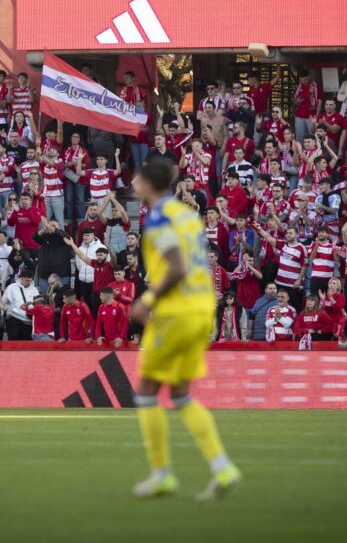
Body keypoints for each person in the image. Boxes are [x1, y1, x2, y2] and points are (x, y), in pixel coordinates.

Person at [128, 160, 240, 500]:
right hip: (201, 308)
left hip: (175, 311)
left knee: (147, 391)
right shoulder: (188, 216)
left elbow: (176, 266)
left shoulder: (160, 217)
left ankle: (162, 474)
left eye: (137, 178)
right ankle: (222, 468)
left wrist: (147, 299)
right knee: (180, 394)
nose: (133, 182)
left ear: (148, 183)